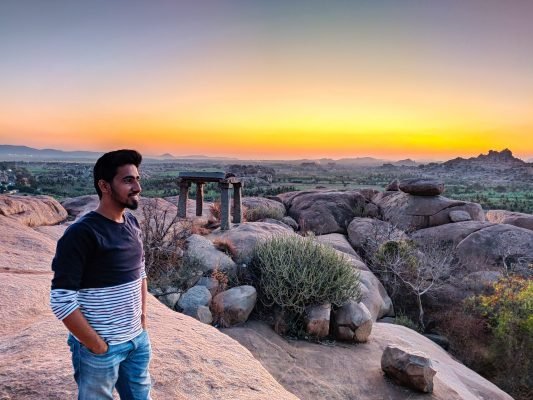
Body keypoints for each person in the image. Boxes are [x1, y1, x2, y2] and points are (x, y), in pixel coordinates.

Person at [50, 149, 151, 400]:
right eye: (128, 180)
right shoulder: (81, 234)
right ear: (104, 186)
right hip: (101, 348)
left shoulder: (132, 224)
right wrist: (96, 345)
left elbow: (141, 272)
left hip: (136, 341)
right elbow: (61, 300)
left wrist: (142, 319)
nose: (137, 187)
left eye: (137, 179)